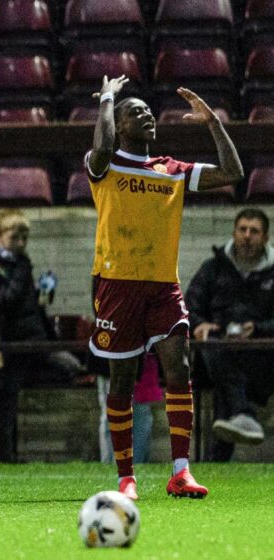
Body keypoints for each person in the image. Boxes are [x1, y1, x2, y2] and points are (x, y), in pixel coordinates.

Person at [86, 75, 244, 500]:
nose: (147, 115)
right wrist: (106, 98)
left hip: (162, 285)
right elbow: (101, 147)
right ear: (119, 125)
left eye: (149, 111)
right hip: (117, 283)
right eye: (135, 112)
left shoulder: (171, 170)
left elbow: (233, 171)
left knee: (181, 368)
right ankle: (126, 476)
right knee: (122, 380)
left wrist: (212, 122)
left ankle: (180, 471)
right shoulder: (105, 165)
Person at [0, 209, 85, 462]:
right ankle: (5, 455)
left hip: (36, 340)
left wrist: (40, 291)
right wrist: (22, 275)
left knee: (72, 367)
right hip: (15, 343)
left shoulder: (20, 264)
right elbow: (4, 301)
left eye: (24, 238)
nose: (21, 243)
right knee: (8, 401)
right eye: (15, 237)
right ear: (0, 235)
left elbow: (27, 303)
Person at [186, 208, 274, 461]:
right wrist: (199, 324)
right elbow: (189, 306)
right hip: (216, 353)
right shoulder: (213, 268)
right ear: (234, 233)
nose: (247, 236)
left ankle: (219, 457)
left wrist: (257, 329)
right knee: (215, 349)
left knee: (227, 377)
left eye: (254, 231)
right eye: (242, 229)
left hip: (262, 356)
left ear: (265, 237)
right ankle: (242, 413)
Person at [96, 353, 162, 464]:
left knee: (137, 416)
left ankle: (126, 463)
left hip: (137, 362)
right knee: (118, 416)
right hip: (115, 361)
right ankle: (118, 462)